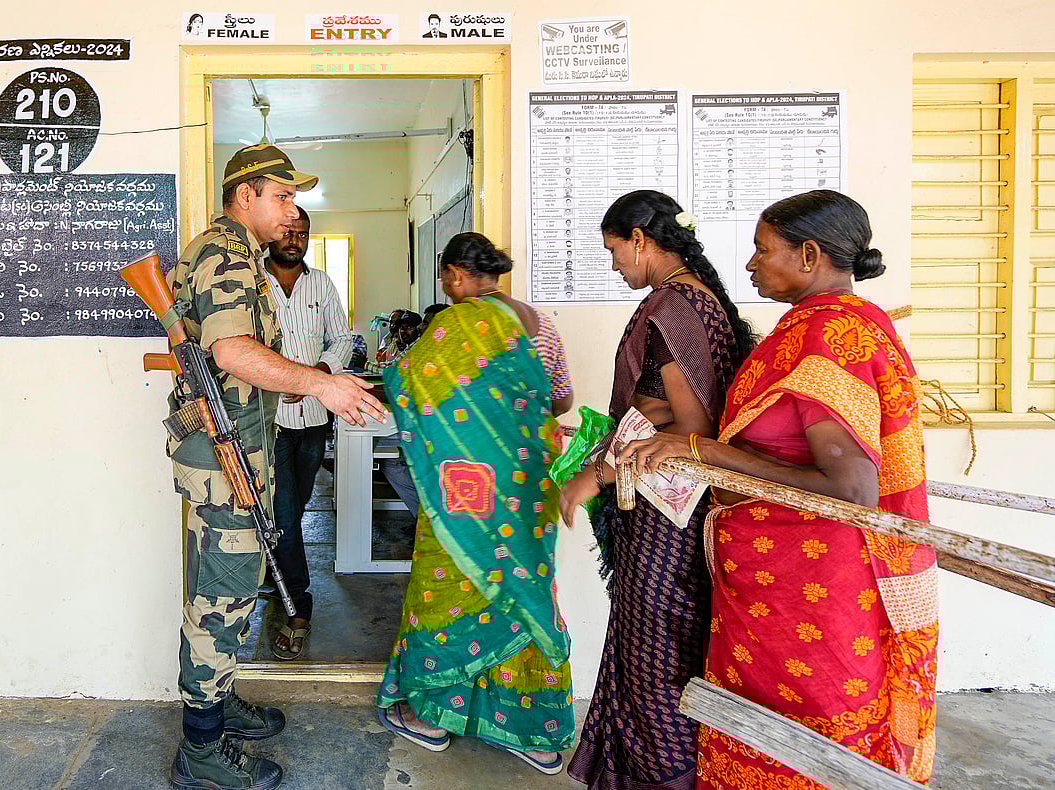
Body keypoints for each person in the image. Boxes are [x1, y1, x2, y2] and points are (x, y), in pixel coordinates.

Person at [616, 190, 938, 787]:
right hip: (774, 584)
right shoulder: (825, 327)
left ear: (809, 255)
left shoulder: (829, 337)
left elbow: (851, 488)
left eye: (763, 251)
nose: (750, 265)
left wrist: (709, 452)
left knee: (808, 736)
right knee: (760, 726)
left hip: (812, 590)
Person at [163, 144, 385, 790]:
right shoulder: (225, 254)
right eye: (283, 197)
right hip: (221, 453)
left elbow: (246, 358)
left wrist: (300, 381)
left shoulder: (243, 257)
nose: (292, 211)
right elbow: (231, 349)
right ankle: (201, 748)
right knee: (221, 594)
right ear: (245, 196)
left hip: (241, 443)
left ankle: (220, 698)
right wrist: (321, 388)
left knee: (234, 589)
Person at [559, 190, 755, 790]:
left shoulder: (672, 307)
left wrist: (595, 474)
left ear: (640, 241)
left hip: (669, 511)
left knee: (654, 658)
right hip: (676, 505)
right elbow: (659, 406)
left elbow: (689, 424)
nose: (614, 264)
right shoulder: (698, 301)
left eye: (615, 250)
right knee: (651, 646)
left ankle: (663, 776)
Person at [375, 232, 575, 776]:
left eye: (446, 277)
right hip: (527, 489)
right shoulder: (540, 323)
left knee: (452, 584)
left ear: (456, 275)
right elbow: (561, 399)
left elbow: (406, 387)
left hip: (464, 491)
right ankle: (533, 736)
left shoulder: (450, 327)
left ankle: (434, 717)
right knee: (520, 586)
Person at [263, 206, 354, 660]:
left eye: (302, 233)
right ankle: (298, 605)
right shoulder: (251, 281)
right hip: (269, 418)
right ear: (272, 231)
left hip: (315, 417)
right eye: (287, 230)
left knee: (293, 511)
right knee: (282, 514)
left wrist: (317, 373)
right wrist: (282, 380)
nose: (294, 239)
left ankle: (273, 567)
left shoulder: (321, 284)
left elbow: (342, 339)